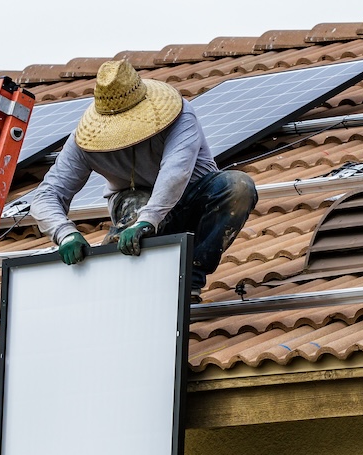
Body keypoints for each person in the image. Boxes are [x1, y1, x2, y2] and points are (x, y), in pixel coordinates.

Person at [28, 60, 257, 301]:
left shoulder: (180, 116)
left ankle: (189, 279)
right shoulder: (82, 142)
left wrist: (148, 220)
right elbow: (46, 196)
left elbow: (175, 172)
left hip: (194, 198)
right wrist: (65, 233)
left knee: (238, 187)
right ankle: (133, 279)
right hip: (134, 207)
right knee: (137, 202)